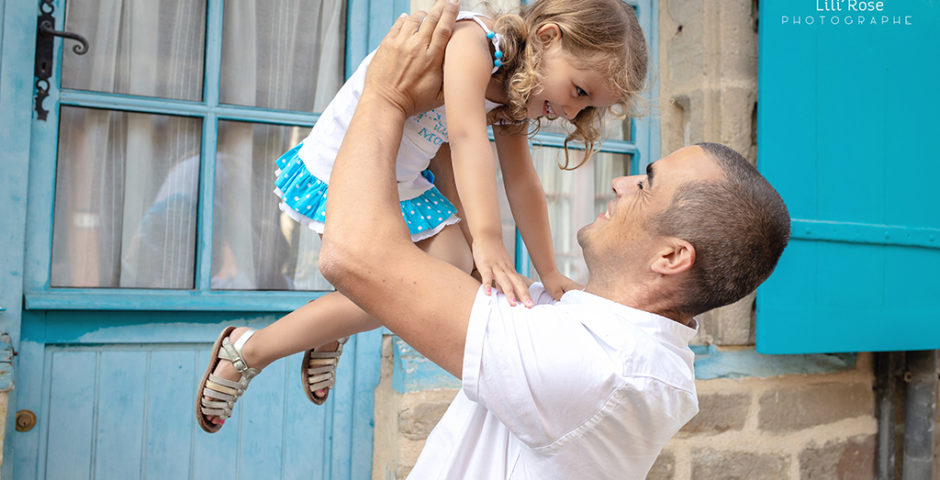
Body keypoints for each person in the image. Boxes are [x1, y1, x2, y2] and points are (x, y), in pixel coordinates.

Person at [316, 1, 791, 477]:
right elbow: (469, 152)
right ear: (546, 38)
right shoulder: (605, 335)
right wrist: (538, 267)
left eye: (646, 184)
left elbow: (353, 256)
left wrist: (386, 95)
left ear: (671, 255)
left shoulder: (589, 367)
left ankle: (246, 350)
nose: (619, 183)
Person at [196, 0, 650, 432]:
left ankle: (328, 328)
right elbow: (467, 135)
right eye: (579, 91)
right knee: (416, 278)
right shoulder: (472, 42)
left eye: (586, 108)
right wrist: (488, 242)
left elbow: (523, 180)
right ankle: (248, 349)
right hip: (349, 160)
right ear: (548, 38)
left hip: (402, 176)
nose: (572, 111)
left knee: (442, 270)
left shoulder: (517, 92)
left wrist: (549, 272)